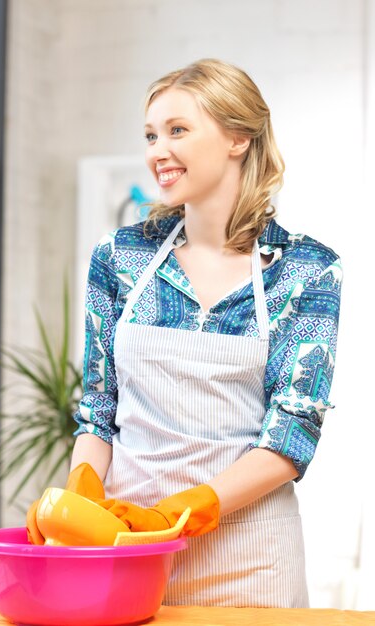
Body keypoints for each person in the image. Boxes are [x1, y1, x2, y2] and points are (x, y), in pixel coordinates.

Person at [28, 59, 342, 608]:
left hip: (249, 559)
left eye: (177, 130)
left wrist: (179, 513)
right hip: (126, 550)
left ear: (238, 138)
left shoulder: (306, 270)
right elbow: (100, 407)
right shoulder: (122, 257)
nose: (156, 151)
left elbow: (293, 432)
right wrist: (83, 488)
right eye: (151, 135)